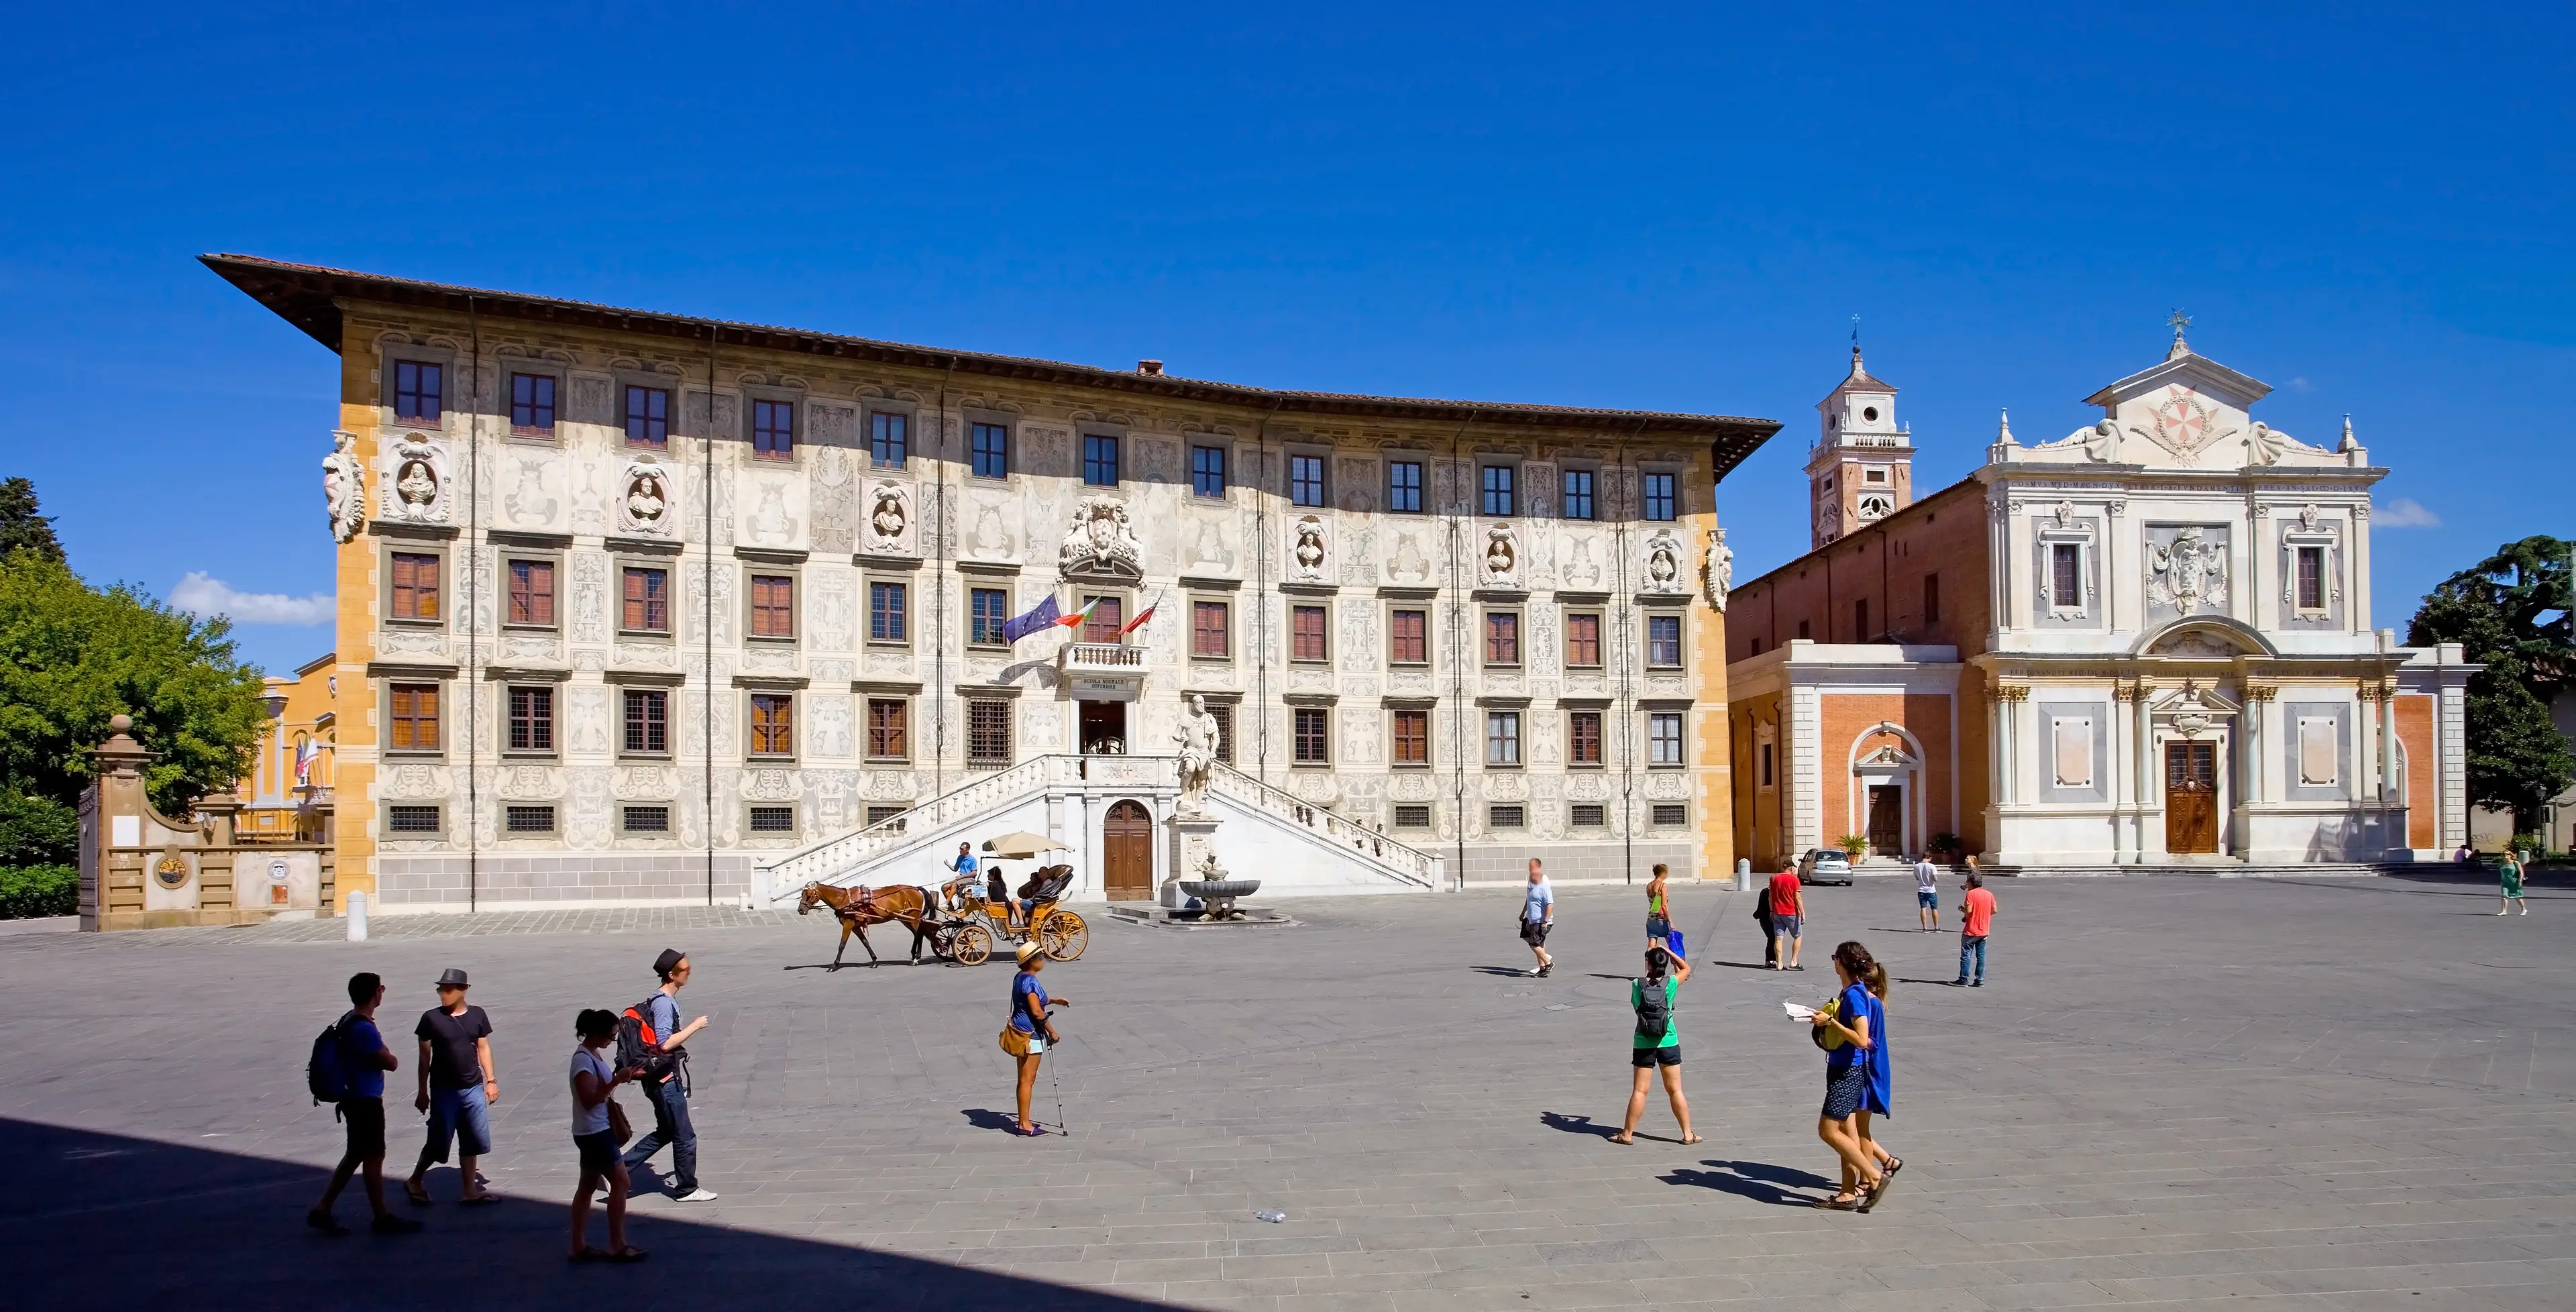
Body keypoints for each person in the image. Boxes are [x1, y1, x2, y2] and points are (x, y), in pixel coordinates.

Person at [309, 973, 421, 1235]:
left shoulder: (349, 1020)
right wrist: (389, 1055)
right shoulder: (363, 1028)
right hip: (365, 1100)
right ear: (374, 993)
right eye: (381, 988)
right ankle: (381, 1217)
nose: (383, 991)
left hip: (353, 1098)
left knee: (355, 1155)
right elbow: (389, 1063)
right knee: (373, 1156)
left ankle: (322, 1209)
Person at [1803, 940, 1896, 1212]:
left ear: (1841, 963)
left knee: (1828, 1130)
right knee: (1845, 1129)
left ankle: (1874, 1178)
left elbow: (1863, 1039)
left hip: (1849, 1070)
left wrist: (1830, 1023)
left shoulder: (1855, 995)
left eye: (1835, 958)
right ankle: (1846, 1193)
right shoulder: (1851, 992)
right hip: (1844, 1067)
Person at [619, 949, 714, 1201]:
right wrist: (695, 1026)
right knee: (684, 1135)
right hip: (664, 1080)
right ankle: (687, 1189)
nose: (689, 973)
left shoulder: (663, 999)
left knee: (666, 1131)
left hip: (659, 1078)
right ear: (672, 975)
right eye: (686, 970)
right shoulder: (663, 1002)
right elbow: (664, 1044)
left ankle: (615, 1169)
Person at [405, 968, 498, 1206]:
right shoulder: (430, 1019)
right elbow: (424, 1059)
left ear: (464, 990)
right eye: (440, 989)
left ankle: (469, 1190)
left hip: (473, 1087)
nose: (443, 994)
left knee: (472, 1139)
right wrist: (422, 1092)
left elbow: (483, 1047)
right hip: (443, 1089)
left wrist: (491, 1081)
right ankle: (415, 1180)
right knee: (438, 1141)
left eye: (448, 989)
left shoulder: (477, 1015)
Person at [569, 1009, 647, 1262]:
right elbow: (589, 1099)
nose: (613, 1040)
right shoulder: (583, 1061)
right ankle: (617, 1244)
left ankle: (579, 1245)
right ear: (596, 1033)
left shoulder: (591, 1054)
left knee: (587, 1186)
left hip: (590, 1131)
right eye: (611, 1035)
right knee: (621, 1184)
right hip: (595, 1131)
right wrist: (615, 1081)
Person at [1611, 947, 1698, 1146]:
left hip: (1644, 1042)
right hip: (1668, 1041)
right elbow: (1686, 968)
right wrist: (1669, 951)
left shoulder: (1637, 984)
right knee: (1675, 1090)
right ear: (1665, 964)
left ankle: (1627, 1134)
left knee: (1640, 1091)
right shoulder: (1671, 983)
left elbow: (1636, 1008)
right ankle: (1687, 1134)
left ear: (1648, 964)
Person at [1008, 942, 1069, 1136]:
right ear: (1032, 962)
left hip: (1019, 1032)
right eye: (1040, 957)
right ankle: (1024, 1124)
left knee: (1023, 1079)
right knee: (1027, 1080)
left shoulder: (1020, 978)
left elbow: (1033, 1001)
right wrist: (1052, 1032)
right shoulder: (1031, 982)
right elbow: (1037, 1011)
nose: (1043, 960)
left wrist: (1053, 1000)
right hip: (1030, 1035)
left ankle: (1023, 1121)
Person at [1955, 873, 1997, 986]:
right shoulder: (1989, 894)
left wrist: (1962, 909)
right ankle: (1980, 979)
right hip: (1984, 930)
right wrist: (1984, 915)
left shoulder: (1971, 894)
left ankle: (1964, 979)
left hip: (1971, 930)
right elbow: (1994, 910)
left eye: (1967, 882)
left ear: (1971, 883)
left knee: (1966, 955)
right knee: (1981, 956)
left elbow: (1969, 911)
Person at [1520, 859, 1555, 977]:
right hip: (1531, 917)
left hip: (1540, 920)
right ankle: (1542, 966)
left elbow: (1550, 904)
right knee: (1527, 937)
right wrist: (1523, 912)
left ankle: (1547, 962)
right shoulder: (1531, 881)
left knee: (1534, 943)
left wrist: (1545, 920)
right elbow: (1529, 898)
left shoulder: (1544, 882)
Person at [1767, 866, 1805, 970]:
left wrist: (1771, 910)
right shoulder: (1794, 880)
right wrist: (1802, 912)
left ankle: (1779, 963)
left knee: (1779, 937)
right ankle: (1794, 961)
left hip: (1777, 912)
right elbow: (1797, 898)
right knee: (1798, 936)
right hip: (1791, 912)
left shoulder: (1775, 878)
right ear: (1792, 869)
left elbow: (1770, 896)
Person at [1644, 863, 1672, 954]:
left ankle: (1649, 966)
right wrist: (1670, 921)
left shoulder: (1649, 886)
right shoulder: (1662, 886)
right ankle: (1678, 967)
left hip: (1651, 919)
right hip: (1662, 919)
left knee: (1651, 947)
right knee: (1672, 944)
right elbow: (1664, 905)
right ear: (1663, 873)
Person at [1913, 855, 1941, 932]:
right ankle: (1936, 927)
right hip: (1931, 890)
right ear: (1930, 858)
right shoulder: (1932, 866)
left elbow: (1917, 878)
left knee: (1923, 908)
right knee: (1934, 909)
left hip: (1921, 890)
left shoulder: (1917, 866)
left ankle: (1925, 928)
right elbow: (1935, 879)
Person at [2498, 848, 2530, 916]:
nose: (2505, 856)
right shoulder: (2501, 864)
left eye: (2507, 854)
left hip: (2515, 882)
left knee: (2517, 897)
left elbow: (2521, 872)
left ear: (2510, 855)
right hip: (2505, 883)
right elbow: (2502, 873)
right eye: (2503, 855)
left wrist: (2520, 881)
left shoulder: (2515, 863)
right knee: (2504, 896)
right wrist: (2502, 881)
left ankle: (2523, 909)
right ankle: (2504, 911)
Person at [1754, 881, 1778, 968]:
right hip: (1766, 919)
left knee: (1774, 938)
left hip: (1770, 918)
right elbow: (1762, 906)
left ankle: (1772, 960)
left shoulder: (1770, 891)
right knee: (1773, 937)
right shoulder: (1766, 892)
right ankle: (1770, 960)